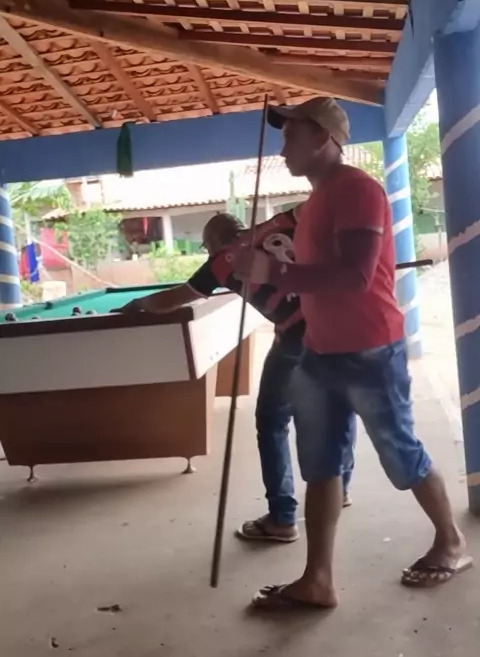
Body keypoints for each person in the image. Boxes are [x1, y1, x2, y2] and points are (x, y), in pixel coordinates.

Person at [233, 97, 472, 609]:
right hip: (319, 350)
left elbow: (356, 276)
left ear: (323, 138)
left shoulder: (358, 190)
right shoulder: (317, 200)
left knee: (399, 452)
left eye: (291, 137)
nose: (283, 149)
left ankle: (451, 541)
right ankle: (317, 580)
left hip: (370, 348)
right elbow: (313, 276)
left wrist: (274, 272)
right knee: (321, 465)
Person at [120, 210, 357, 541]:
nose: (208, 254)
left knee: (272, 423)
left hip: (295, 338)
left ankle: (282, 518)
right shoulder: (281, 223)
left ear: (214, 241)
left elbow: (174, 298)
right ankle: (338, 489)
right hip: (337, 328)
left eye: (207, 247)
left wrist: (139, 304)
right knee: (338, 407)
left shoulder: (222, 261)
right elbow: (316, 214)